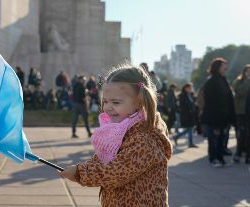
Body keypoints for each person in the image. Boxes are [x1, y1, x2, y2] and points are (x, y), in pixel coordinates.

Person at [59, 65, 172, 206]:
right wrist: (80, 168)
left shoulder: (144, 139)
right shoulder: (122, 130)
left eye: (116, 102)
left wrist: (80, 173)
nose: (108, 107)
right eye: (105, 101)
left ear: (139, 101)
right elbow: (102, 160)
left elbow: (114, 173)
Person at [201, 57, 235, 167]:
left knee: (222, 139)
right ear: (217, 67)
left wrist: (230, 115)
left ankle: (220, 159)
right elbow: (209, 102)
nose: (226, 67)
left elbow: (229, 98)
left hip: (224, 116)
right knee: (214, 139)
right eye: (223, 65)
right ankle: (214, 159)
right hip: (214, 117)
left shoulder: (224, 80)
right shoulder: (211, 82)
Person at [233, 64, 250, 164]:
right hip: (241, 111)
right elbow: (240, 92)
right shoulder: (238, 82)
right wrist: (248, 80)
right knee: (242, 133)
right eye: (247, 71)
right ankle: (238, 153)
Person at [172, 83, 198, 148]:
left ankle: (177, 137)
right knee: (190, 128)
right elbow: (183, 106)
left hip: (190, 114)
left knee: (190, 129)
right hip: (186, 115)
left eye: (191, 88)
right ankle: (190, 143)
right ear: (186, 88)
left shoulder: (189, 94)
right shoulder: (183, 95)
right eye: (190, 88)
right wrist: (190, 109)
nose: (191, 89)